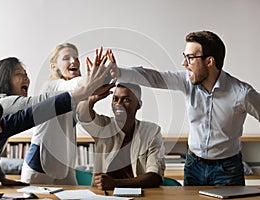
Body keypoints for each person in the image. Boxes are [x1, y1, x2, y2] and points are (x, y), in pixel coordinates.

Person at [108, 30, 260, 186]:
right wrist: (120, 73)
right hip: (193, 166)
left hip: (227, 170)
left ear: (209, 61)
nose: (184, 63)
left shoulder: (242, 94)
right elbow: (155, 77)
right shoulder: (186, 81)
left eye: (190, 58)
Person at [0, 58, 113, 199]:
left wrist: (0, 176)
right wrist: (84, 90)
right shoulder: (1, 103)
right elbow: (35, 110)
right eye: (19, 74)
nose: (0, 130)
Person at [77, 82, 165, 190]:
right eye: (115, 99)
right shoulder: (104, 126)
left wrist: (115, 183)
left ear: (138, 104)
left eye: (126, 100)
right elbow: (82, 114)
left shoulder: (152, 131)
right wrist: (92, 99)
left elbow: (155, 176)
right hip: (104, 195)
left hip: (140, 194)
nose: (119, 104)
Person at [21, 43, 83, 184]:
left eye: (76, 58)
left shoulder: (77, 92)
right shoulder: (51, 86)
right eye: (66, 58)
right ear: (54, 66)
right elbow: (76, 84)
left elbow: (85, 117)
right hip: (40, 164)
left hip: (64, 164)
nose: (74, 61)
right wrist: (97, 75)